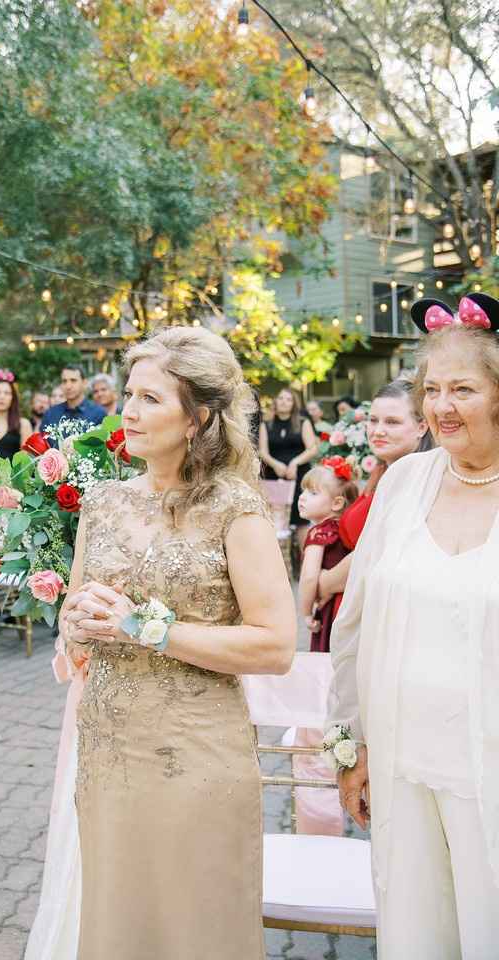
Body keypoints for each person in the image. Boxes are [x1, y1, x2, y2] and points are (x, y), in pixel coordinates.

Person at [26, 326, 296, 960]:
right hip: (111, 749)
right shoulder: (103, 502)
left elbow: (275, 645)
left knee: (196, 928)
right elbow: (81, 613)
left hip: (197, 753)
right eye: (127, 393)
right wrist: (77, 623)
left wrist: (143, 625)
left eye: (150, 398)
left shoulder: (236, 509)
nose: (128, 411)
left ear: (198, 414)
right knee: (120, 924)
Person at [327, 293, 499, 959]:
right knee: (416, 933)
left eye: (463, 389)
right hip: (401, 765)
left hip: (488, 770)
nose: (441, 407)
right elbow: (353, 626)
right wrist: (350, 748)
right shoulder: (403, 486)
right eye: (432, 389)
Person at [316, 378, 430, 605]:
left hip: (377, 604)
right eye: (373, 420)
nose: (378, 431)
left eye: (392, 422)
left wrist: (325, 582)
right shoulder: (381, 472)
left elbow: (375, 551)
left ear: (421, 427)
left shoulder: (416, 480)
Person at [297, 459, 358, 652]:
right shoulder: (344, 529)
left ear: (337, 503)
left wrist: (306, 613)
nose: (303, 498)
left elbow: (308, 577)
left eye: (313, 493)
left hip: (330, 608)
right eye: (303, 491)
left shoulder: (319, 533)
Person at [258, 386, 318, 550]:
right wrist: (275, 464)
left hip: (299, 477)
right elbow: (262, 451)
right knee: (277, 521)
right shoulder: (267, 424)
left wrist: (294, 463)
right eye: (281, 398)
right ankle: (282, 564)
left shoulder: (302, 422)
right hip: (274, 478)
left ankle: (306, 562)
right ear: (276, 401)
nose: (284, 402)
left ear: (294, 404)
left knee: (301, 519)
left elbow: (312, 448)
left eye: (289, 399)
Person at [40, 366, 104, 433]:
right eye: (64, 381)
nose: (68, 386)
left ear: (84, 383)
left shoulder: (98, 413)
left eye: (73, 380)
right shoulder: (51, 414)